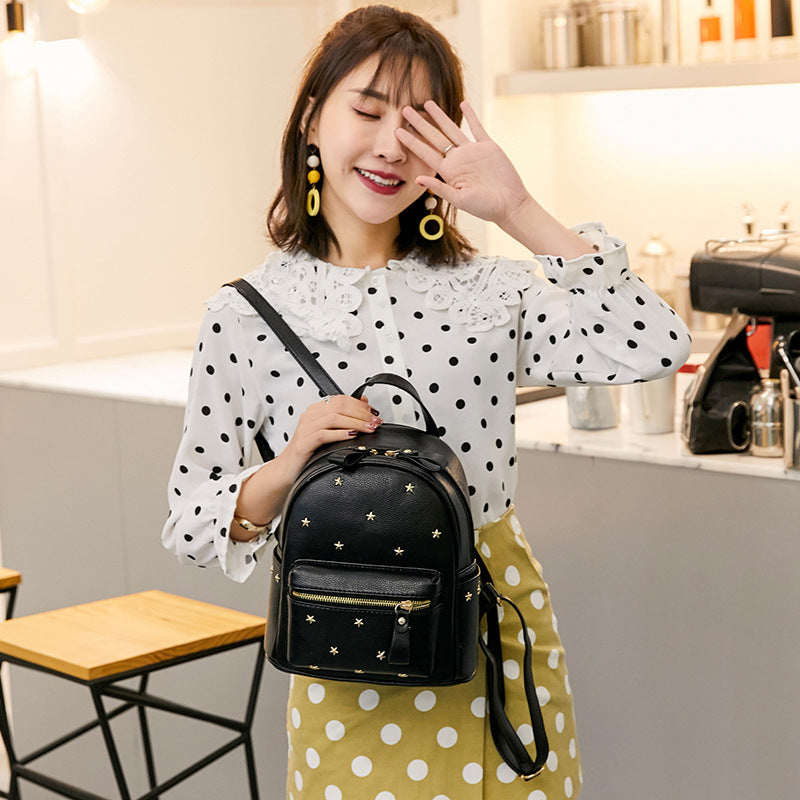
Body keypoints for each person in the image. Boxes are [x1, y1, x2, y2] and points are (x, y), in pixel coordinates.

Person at [162, 5, 691, 799]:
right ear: (312, 119)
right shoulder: (243, 314)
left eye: (417, 126)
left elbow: (654, 342)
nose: (389, 146)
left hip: (492, 633)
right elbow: (190, 521)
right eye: (368, 111)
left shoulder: (492, 292)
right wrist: (291, 465)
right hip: (345, 648)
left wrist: (517, 209)